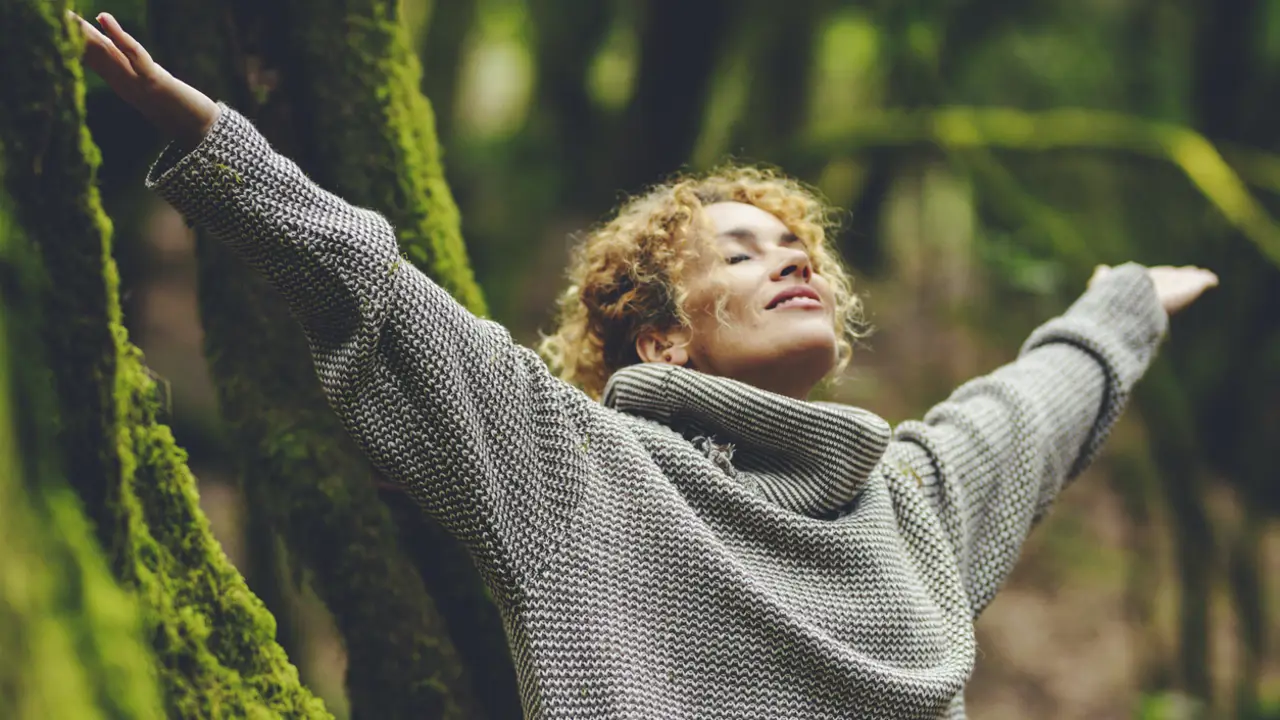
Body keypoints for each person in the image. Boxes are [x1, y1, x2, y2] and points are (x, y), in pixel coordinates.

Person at [76, 12, 1219, 719]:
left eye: (800, 251)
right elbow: (383, 296)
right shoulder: (574, 474)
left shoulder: (910, 501)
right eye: (745, 250)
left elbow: (1024, 409)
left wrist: (1123, 308)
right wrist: (212, 141)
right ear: (663, 336)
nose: (793, 265)